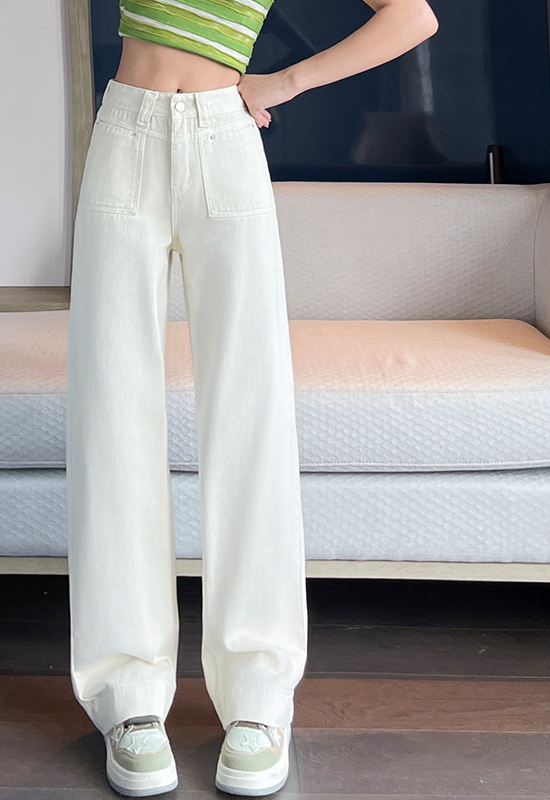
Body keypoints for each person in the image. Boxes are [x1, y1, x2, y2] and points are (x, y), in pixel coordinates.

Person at [66, 1, 439, 796]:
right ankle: (127, 697)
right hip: (124, 131)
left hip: (224, 140)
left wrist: (287, 81)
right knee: (111, 416)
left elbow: (413, 17)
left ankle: (260, 700)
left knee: (249, 416)